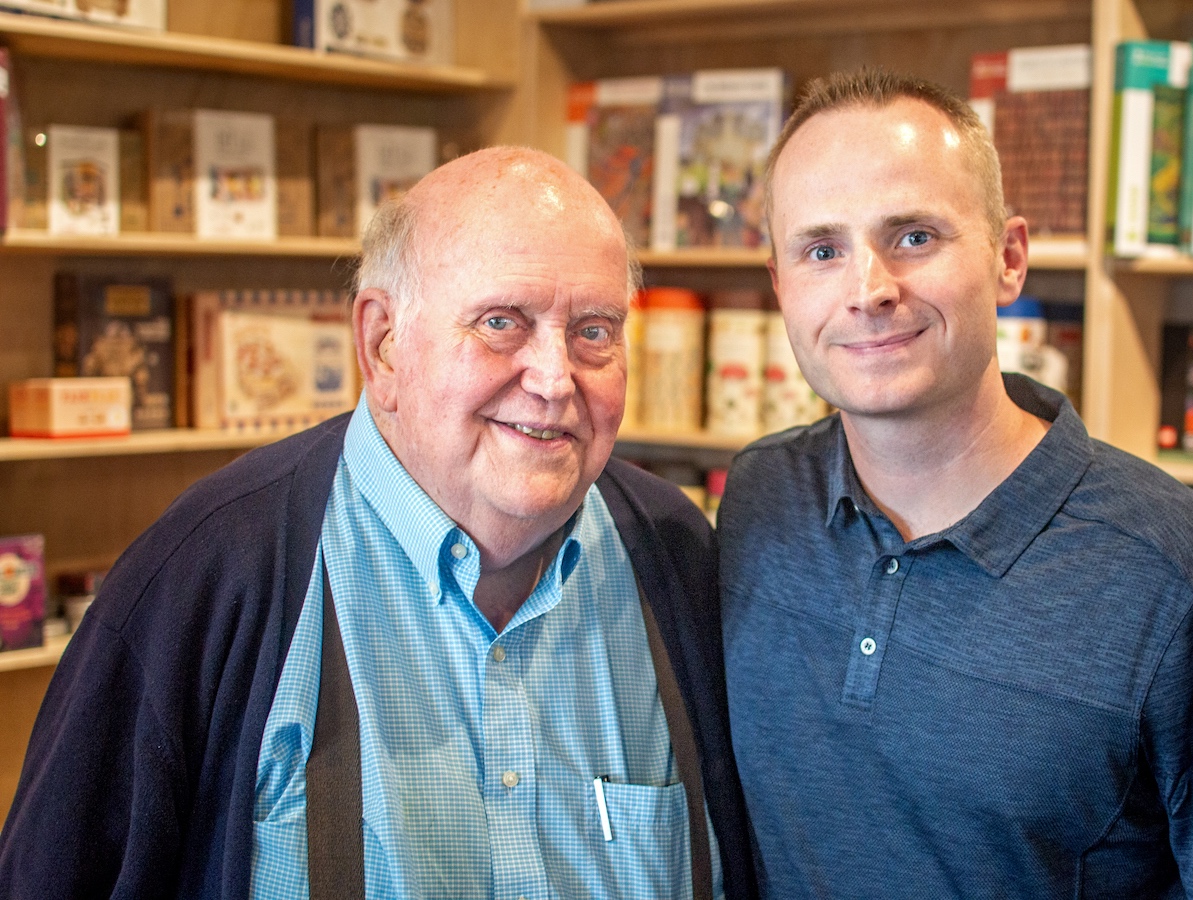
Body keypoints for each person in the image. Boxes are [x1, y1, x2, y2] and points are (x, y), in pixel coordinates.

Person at [0, 146, 755, 900]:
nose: (555, 379)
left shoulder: (675, 557)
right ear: (382, 344)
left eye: (593, 331)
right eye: (501, 323)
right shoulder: (208, 574)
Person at [719, 68, 1193, 898]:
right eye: (822, 250)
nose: (868, 290)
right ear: (781, 287)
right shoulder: (758, 497)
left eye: (913, 237)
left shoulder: (1184, 571)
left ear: (1009, 260)